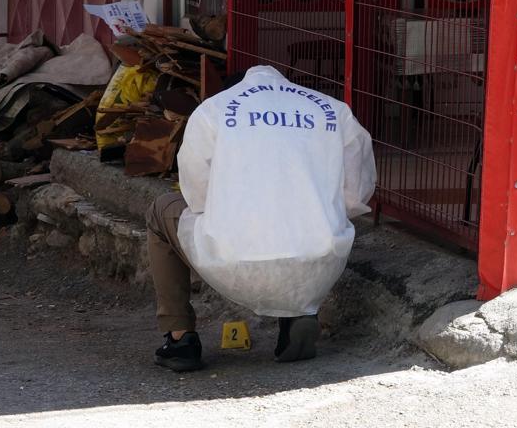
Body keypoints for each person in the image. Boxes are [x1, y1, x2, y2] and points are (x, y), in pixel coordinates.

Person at [146, 65, 376, 372]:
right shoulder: (333, 111)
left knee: (161, 210)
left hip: (234, 260)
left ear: (232, 89)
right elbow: (354, 197)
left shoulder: (214, 110)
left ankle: (180, 339)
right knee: (306, 216)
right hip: (319, 259)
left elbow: (197, 196)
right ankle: (299, 315)